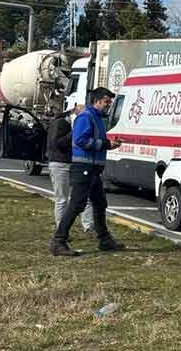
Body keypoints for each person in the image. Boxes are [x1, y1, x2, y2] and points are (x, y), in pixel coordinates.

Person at [49, 87, 125, 256]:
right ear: (96, 101)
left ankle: (104, 239)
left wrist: (108, 144)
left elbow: (94, 140)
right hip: (84, 167)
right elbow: (80, 140)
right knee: (77, 204)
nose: (109, 105)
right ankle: (59, 241)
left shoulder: (97, 118)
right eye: (106, 102)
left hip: (93, 169)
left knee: (99, 203)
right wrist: (105, 144)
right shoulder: (86, 117)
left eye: (110, 102)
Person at [46, 104, 94, 233]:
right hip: (60, 163)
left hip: (71, 163)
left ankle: (89, 226)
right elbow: (58, 144)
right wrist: (75, 133)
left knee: (82, 196)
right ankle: (61, 229)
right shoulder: (60, 123)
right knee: (62, 199)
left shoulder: (65, 123)